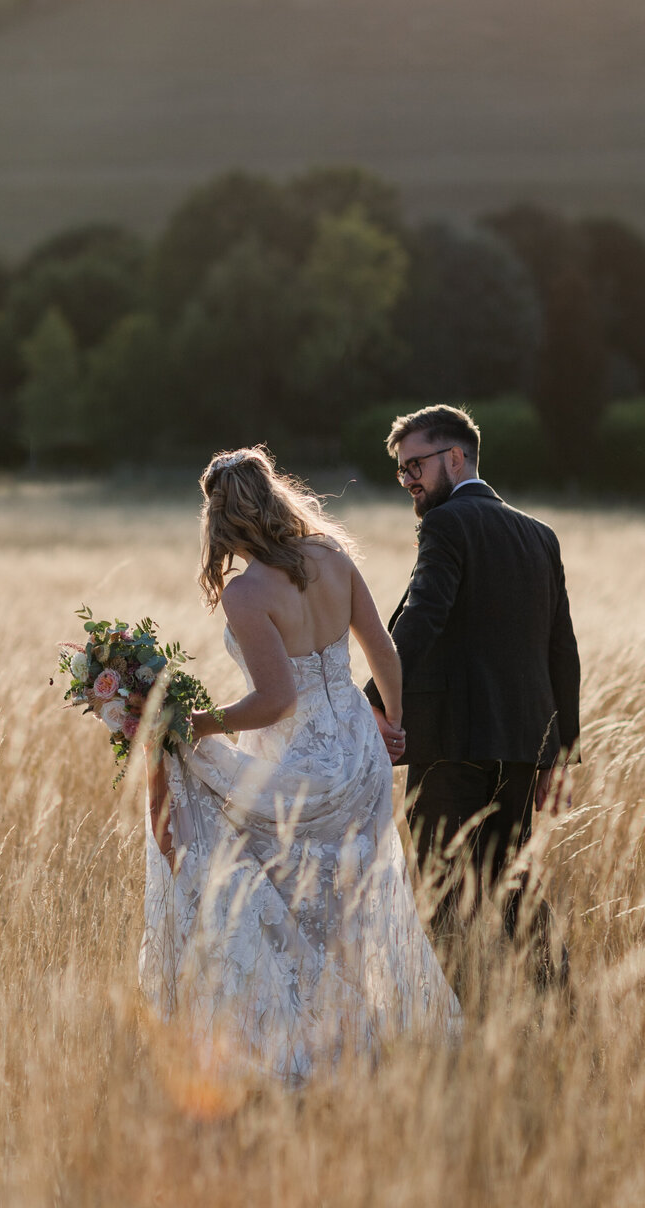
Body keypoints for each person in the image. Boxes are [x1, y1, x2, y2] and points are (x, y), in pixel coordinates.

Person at [139, 447, 459, 1085]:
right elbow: (384, 648)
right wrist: (392, 725)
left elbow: (276, 700)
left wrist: (194, 725)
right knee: (353, 904)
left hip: (300, 766)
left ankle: (304, 1048)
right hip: (359, 760)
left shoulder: (247, 591)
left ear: (222, 520)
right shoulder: (333, 557)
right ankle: (366, 1040)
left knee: (278, 901)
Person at [364, 404, 580, 976]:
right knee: (516, 892)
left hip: (450, 749)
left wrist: (369, 704)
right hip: (519, 749)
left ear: (455, 456)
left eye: (417, 464)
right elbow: (562, 649)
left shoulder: (446, 524)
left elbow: (419, 621)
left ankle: (462, 1020)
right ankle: (560, 1015)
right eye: (402, 469)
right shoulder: (540, 535)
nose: (408, 479)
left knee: (442, 898)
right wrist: (560, 754)